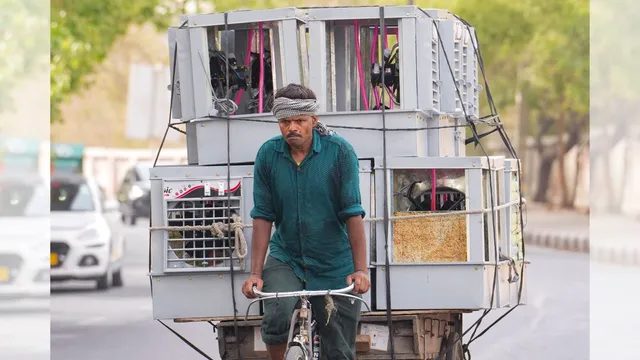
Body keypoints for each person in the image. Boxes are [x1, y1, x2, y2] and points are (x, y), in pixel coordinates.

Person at [241, 83, 370, 360]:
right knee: (276, 314)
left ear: (314, 120)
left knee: (339, 347)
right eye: (285, 122)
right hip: (286, 257)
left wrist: (360, 270)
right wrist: (255, 273)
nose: (292, 128)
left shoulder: (339, 152)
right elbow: (263, 215)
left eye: (299, 121)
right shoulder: (268, 155)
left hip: (333, 260)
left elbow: (352, 213)